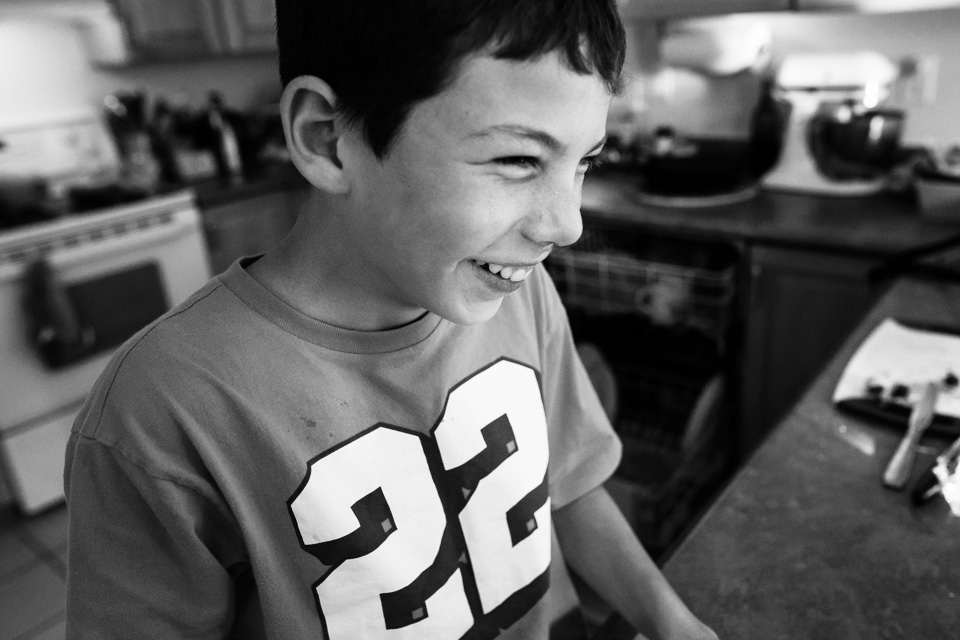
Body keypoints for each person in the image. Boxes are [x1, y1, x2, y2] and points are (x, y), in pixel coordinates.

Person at [63, 1, 718, 639]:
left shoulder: (519, 293)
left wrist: (671, 622)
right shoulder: (162, 412)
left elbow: (570, 486)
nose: (566, 224)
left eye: (584, 161)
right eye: (518, 160)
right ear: (328, 140)